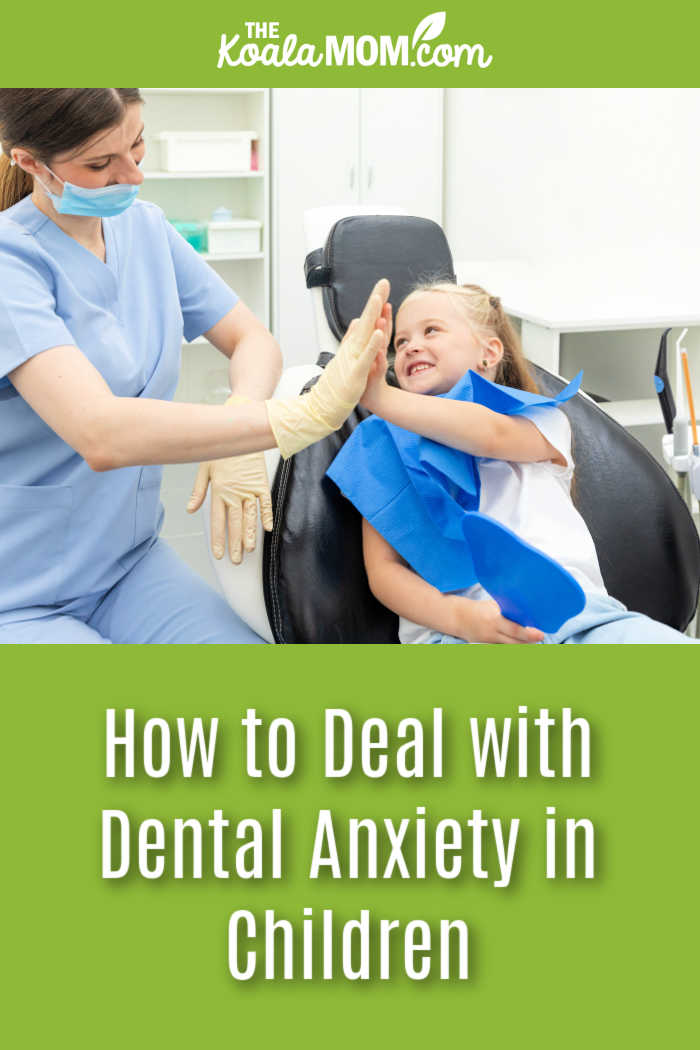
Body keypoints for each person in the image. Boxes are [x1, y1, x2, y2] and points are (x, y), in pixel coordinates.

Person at [0, 88, 387, 644]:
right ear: (32, 163)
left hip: (128, 568)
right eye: (100, 164)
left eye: (137, 147)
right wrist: (295, 418)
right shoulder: (12, 262)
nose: (132, 177)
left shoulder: (145, 228)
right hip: (19, 593)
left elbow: (251, 338)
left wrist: (244, 409)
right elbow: (101, 433)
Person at [336, 281, 697, 644]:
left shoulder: (541, 421)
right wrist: (461, 619)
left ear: (489, 353)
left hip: (582, 619)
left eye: (431, 330)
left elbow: (489, 435)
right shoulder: (379, 448)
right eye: (400, 342)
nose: (411, 346)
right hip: (454, 635)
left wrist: (381, 397)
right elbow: (384, 571)